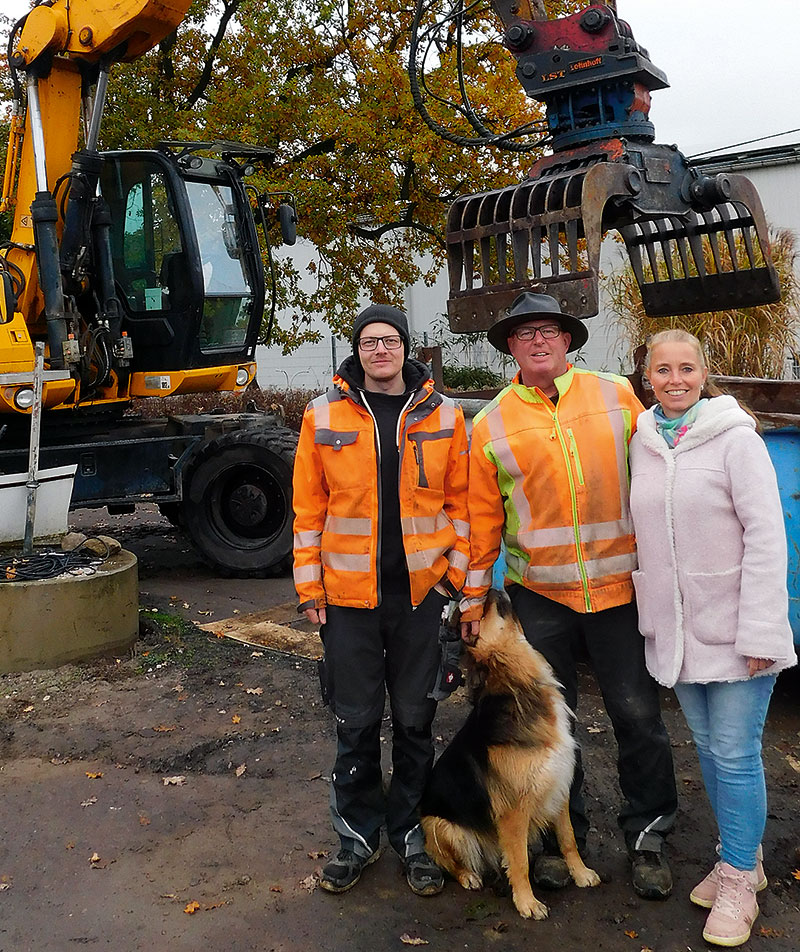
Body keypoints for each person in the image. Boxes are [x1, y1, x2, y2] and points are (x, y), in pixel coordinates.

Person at [460, 290, 678, 899]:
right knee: (551, 724)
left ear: (567, 341)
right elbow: (483, 522)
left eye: (549, 331)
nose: (538, 341)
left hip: (618, 591)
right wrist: (475, 600)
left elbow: (668, 455)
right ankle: (562, 840)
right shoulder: (492, 422)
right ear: (510, 346)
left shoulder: (616, 394)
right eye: (525, 332)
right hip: (541, 598)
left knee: (637, 716)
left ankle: (649, 836)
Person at [292, 304, 470, 897]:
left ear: (406, 348)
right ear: (357, 350)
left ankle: (412, 837)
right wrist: (309, 587)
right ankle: (356, 839)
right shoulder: (322, 417)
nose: (379, 351)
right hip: (348, 602)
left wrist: (454, 581)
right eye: (369, 341)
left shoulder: (444, 415)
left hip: (421, 599)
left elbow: (464, 507)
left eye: (389, 340)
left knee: (417, 723)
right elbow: (308, 512)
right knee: (357, 724)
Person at [629, 328, 796, 946]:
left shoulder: (737, 439)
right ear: (647, 377)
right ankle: (740, 857)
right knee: (707, 748)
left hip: (736, 632)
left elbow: (766, 536)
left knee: (734, 752)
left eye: (687, 368)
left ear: (705, 372)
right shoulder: (643, 442)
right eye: (663, 370)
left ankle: (738, 881)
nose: (675, 380)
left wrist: (759, 626)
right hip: (678, 632)